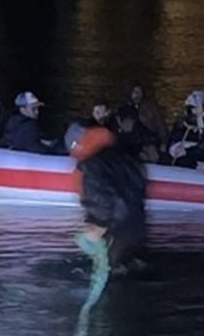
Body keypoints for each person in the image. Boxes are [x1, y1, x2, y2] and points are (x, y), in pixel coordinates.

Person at [65, 121, 150, 276]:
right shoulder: (125, 156)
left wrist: (98, 225)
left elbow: (100, 199)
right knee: (133, 271)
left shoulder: (90, 165)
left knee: (108, 276)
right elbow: (140, 187)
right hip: (137, 227)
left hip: (114, 230)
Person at [126, 81, 170, 148]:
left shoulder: (150, 108)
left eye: (139, 92)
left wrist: (164, 142)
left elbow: (160, 124)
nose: (137, 95)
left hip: (151, 141)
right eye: (134, 92)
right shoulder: (125, 109)